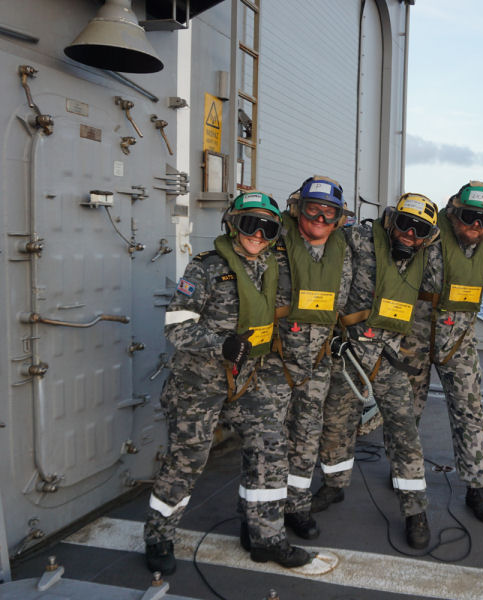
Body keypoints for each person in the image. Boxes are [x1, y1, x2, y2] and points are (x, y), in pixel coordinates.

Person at [144, 191, 313, 573]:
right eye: (250, 224)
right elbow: (176, 325)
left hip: (246, 381)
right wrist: (220, 344)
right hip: (198, 385)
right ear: (233, 225)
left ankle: (265, 536)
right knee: (187, 460)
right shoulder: (206, 268)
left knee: (270, 446)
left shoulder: (271, 267)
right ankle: (158, 535)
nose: (258, 235)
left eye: (267, 229)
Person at [311, 193, 439, 549]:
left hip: (389, 358)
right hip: (348, 354)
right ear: (390, 220)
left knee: (405, 433)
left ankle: (415, 510)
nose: (409, 234)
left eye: (420, 230)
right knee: (336, 425)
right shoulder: (357, 239)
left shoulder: (426, 257)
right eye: (405, 224)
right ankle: (334, 485)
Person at [401, 180, 483, 524]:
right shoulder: (428, 235)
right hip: (414, 335)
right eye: (468, 216)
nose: (475, 224)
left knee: (470, 412)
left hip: (459, 340)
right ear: (452, 212)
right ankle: (404, 476)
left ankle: (478, 486)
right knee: (407, 411)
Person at [277, 176, 353, 541]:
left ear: (339, 218)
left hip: (318, 362)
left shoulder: (345, 250)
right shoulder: (273, 242)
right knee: (267, 439)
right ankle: (260, 514)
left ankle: (296, 505)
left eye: (329, 213)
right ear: (297, 209)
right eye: (312, 210)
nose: (320, 219)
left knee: (307, 435)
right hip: (275, 361)